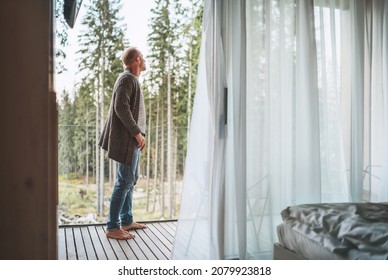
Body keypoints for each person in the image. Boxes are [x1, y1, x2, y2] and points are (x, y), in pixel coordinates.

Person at [99, 47, 148, 240]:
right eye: (142, 57)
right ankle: (112, 227)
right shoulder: (127, 79)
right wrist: (136, 133)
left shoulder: (131, 79)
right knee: (124, 181)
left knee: (130, 179)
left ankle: (126, 220)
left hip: (132, 140)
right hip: (128, 140)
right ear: (137, 59)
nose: (144, 60)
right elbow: (121, 107)